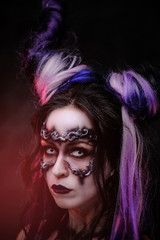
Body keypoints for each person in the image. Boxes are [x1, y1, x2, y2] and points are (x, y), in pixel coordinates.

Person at [16, 0, 160, 239]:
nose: (58, 170)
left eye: (79, 151)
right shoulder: (31, 235)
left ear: (114, 161)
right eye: (49, 149)